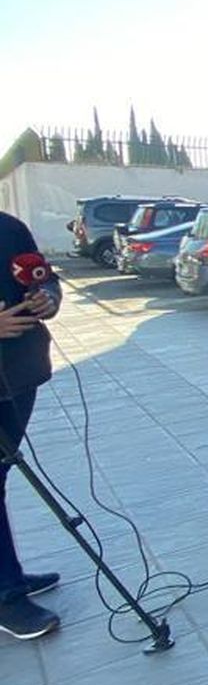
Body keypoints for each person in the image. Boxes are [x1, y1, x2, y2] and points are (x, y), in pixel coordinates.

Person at [0, 213, 65, 640]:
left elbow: (44, 277)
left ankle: (11, 575)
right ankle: (7, 595)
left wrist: (46, 297)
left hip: (18, 377)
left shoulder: (8, 228)